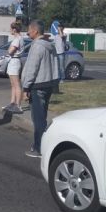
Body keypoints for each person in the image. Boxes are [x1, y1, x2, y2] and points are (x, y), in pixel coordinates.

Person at [21, 20, 60, 158]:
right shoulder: (50, 45)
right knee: (42, 117)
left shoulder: (37, 46)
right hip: (48, 83)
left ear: (35, 31)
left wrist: (26, 87)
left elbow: (32, 68)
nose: (27, 32)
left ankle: (38, 148)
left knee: (38, 119)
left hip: (37, 86)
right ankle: (43, 145)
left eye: (29, 30)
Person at [3, 22, 25, 113]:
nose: (10, 30)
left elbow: (10, 52)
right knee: (13, 85)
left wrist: (8, 51)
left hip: (15, 61)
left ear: (14, 29)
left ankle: (18, 105)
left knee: (16, 84)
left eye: (11, 29)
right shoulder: (19, 38)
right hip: (13, 61)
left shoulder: (17, 39)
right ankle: (12, 103)